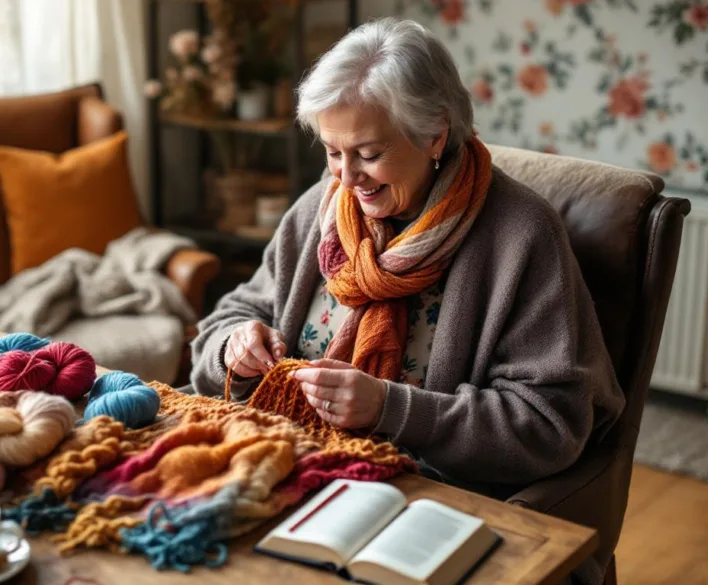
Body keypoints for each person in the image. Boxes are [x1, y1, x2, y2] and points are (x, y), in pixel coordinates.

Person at [188, 17, 624, 585]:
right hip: (294, 477)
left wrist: (389, 410)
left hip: (426, 506)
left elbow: (549, 424)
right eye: (332, 151)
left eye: (368, 153)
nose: (347, 179)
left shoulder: (520, 237)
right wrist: (234, 345)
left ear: (435, 134)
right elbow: (230, 318)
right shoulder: (323, 208)